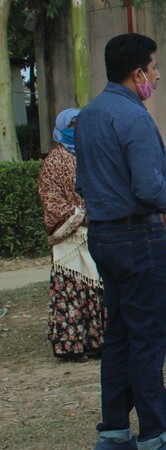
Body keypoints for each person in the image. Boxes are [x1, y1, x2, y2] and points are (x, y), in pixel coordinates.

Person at [77, 32, 166, 450]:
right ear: (138, 73)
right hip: (137, 235)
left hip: (103, 235)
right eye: (153, 68)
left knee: (119, 334)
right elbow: (150, 188)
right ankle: (156, 439)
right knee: (149, 337)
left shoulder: (90, 115)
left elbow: (84, 183)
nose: (157, 74)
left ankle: (114, 433)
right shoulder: (134, 118)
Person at [37, 107, 106, 361]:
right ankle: (71, 347)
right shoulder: (54, 160)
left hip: (97, 232)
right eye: (72, 124)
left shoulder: (94, 155)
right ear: (61, 128)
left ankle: (99, 342)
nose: (77, 129)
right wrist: (79, 215)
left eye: (81, 124)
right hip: (71, 238)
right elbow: (50, 198)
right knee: (71, 289)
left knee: (98, 290)